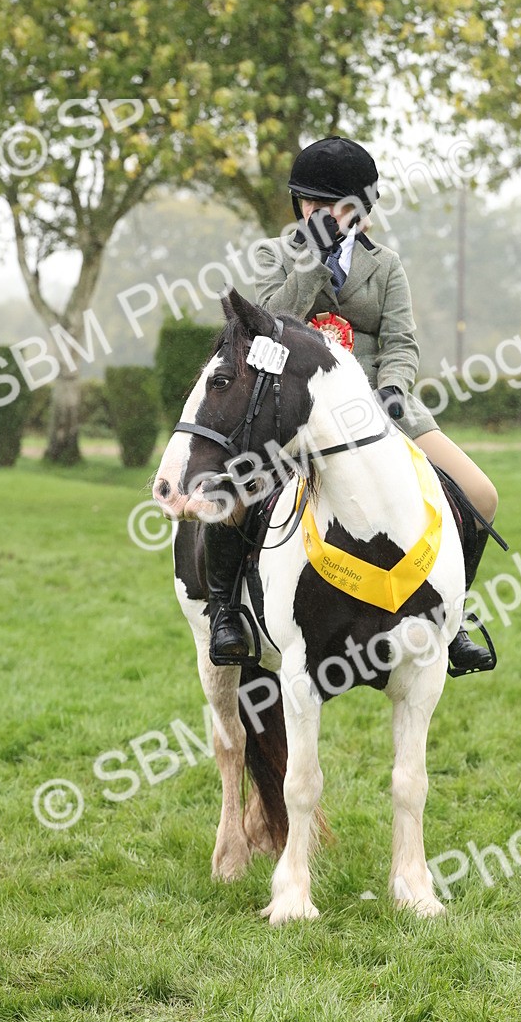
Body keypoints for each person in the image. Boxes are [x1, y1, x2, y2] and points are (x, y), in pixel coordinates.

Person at [206, 135, 498, 674]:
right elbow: (270, 324)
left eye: (335, 205)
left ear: (360, 210)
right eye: (311, 203)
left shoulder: (385, 266)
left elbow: (403, 341)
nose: (321, 213)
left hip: (380, 407)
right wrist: (313, 262)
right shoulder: (277, 255)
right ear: (300, 204)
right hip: (294, 407)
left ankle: (452, 619)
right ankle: (225, 610)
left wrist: (392, 388)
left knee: (481, 494)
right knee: (233, 488)